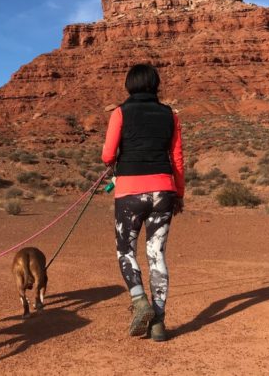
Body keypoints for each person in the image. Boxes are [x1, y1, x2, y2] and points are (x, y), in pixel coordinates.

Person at [101, 63, 185, 342]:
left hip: (130, 192)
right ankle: (159, 323)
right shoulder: (170, 115)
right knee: (157, 254)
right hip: (163, 191)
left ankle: (140, 303)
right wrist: (179, 194)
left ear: (129, 85)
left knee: (126, 251)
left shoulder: (120, 113)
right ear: (155, 84)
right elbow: (177, 159)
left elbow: (107, 155)